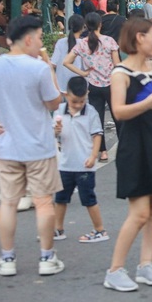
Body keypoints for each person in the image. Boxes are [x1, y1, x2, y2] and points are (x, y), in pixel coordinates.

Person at [103, 18, 152, 292]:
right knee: (139, 212)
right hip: (134, 144)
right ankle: (115, 270)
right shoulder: (119, 73)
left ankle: (146, 265)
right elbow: (119, 112)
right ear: (138, 39)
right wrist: (148, 102)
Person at [0, 16, 65, 277]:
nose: (40, 43)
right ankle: (46, 258)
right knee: (44, 202)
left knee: (8, 203)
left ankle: (7, 258)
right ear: (27, 39)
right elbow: (54, 103)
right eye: (37, 37)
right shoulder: (38, 68)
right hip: (39, 146)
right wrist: (49, 67)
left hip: (8, 146)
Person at [53, 76, 109, 243]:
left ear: (87, 94)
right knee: (60, 199)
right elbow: (53, 136)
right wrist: (56, 130)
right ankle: (58, 229)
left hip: (85, 164)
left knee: (88, 199)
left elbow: (97, 135)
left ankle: (100, 230)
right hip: (65, 164)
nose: (78, 105)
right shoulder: (59, 112)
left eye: (82, 101)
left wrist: (93, 156)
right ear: (66, 95)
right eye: (74, 101)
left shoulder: (90, 111)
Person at [63, 12, 121, 162]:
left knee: (97, 119)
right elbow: (117, 65)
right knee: (118, 117)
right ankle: (123, 146)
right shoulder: (109, 41)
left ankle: (102, 152)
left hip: (93, 85)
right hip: (110, 85)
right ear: (100, 24)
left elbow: (66, 62)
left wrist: (83, 73)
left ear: (86, 26)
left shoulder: (82, 43)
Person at [51, 15, 86, 95]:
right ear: (82, 28)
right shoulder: (83, 43)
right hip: (78, 87)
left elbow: (53, 63)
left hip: (61, 86)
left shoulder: (60, 42)